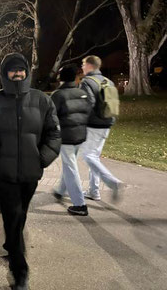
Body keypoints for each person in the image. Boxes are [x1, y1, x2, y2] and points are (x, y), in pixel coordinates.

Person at [0, 53, 61, 290]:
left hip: (31, 172)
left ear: (27, 72)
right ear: (4, 74)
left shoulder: (42, 100)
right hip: (5, 173)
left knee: (20, 214)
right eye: (13, 70)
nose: (18, 73)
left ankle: (12, 243)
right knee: (12, 214)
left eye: (21, 69)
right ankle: (19, 269)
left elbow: (54, 133)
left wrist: (42, 158)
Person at [79, 55, 125, 202]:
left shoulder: (87, 82)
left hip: (94, 125)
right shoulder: (108, 81)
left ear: (89, 65)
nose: (82, 67)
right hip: (107, 122)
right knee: (95, 157)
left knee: (88, 156)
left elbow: (88, 104)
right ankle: (94, 191)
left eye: (83, 64)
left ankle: (113, 182)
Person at [51, 64, 92, 216]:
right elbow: (87, 112)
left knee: (70, 167)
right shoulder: (82, 93)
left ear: (60, 78)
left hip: (66, 137)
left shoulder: (58, 95)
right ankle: (61, 190)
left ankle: (80, 204)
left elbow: (51, 117)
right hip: (80, 135)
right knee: (70, 165)